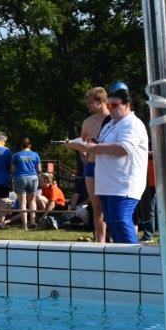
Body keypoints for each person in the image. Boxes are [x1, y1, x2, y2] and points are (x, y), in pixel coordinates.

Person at [67, 85, 149, 244]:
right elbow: (102, 145)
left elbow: (125, 148)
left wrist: (94, 147)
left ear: (127, 105)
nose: (110, 108)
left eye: (115, 105)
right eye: (109, 105)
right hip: (108, 184)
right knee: (112, 221)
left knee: (120, 220)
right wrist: (84, 147)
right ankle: (120, 260)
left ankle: (133, 259)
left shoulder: (132, 124)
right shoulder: (111, 124)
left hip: (123, 184)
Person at [80, 88, 110, 241]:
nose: (88, 106)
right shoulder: (88, 121)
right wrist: (82, 153)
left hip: (110, 169)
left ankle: (117, 240)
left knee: (111, 206)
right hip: (92, 167)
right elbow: (82, 142)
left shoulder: (114, 119)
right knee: (97, 207)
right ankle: (100, 242)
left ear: (101, 101)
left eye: (91, 102)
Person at [10, 138, 41, 229]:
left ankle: (25, 226)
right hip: (32, 178)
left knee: (22, 203)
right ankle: (33, 221)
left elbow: (12, 170)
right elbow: (39, 169)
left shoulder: (16, 155)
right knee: (32, 201)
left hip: (20, 178)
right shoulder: (35, 155)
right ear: (29, 145)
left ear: (21, 146)